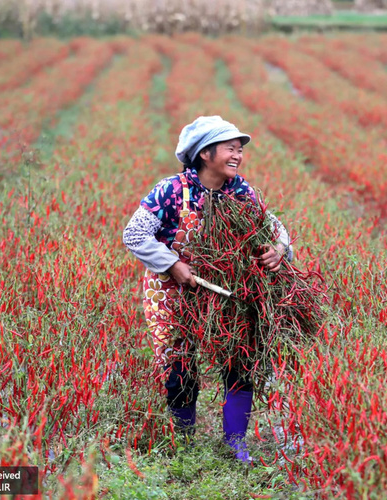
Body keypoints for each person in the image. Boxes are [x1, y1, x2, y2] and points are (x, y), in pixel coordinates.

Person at [122, 116, 293, 462]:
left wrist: (279, 249)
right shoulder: (170, 191)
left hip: (224, 293)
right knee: (179, 367)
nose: (238, 155)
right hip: (172, 293)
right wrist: (172, 264)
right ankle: (184, 443)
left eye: (239, 150)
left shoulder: (240, 192)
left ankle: (236, 443)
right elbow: (134, 235)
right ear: (205, 153)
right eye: (230, 148)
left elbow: (275, 228)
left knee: (240, 359)